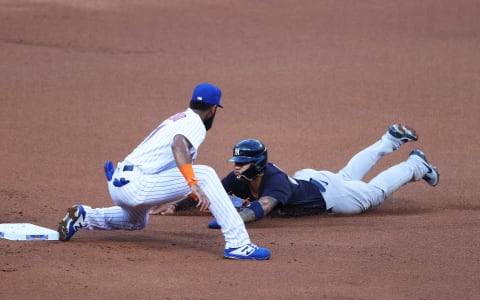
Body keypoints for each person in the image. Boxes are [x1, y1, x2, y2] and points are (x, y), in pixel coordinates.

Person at [57, 83, 271, 260]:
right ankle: (238, 244)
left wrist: (170, 194)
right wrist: (193, 184)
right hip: (138, 183)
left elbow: (168, 162)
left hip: (120, 182)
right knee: (204, 174)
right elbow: (178, 145)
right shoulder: (194, 122)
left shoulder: (177, 118)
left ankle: (86, 216)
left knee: (137, 221)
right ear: (213, 109)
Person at [155, 124, 439, 227]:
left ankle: (416, 165)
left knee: (372, 194)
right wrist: (175, 206)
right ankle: (389, 140)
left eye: (242, 163)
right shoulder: (240, 177)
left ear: (258, 164)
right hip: (315, 180)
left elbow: (262, 208)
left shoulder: (274, 182)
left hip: (332, 196)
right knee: (347, 175)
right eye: (236, 162)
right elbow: (210, 190)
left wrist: (233, 219)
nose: (236, 167)